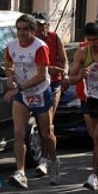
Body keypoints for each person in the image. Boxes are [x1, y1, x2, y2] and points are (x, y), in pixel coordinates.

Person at [5, 14, 58, 188]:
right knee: (18, 132)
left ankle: (54, 161)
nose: (21, 33)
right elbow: (9, 66)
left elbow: (42, 75)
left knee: (45, 134)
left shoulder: (40, 47)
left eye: (25, 29)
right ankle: (20, 172)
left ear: (33, 30)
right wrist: (10, 78)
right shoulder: (11, 46)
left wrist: (18, 88)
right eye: (18, 29)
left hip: (40, 92)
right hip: (22, 95)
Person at [68, 22, 98, 191]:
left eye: (96, 40)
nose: (93, 43)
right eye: (89, 40)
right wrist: (80, 75)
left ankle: (93, 175)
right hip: (89, 99)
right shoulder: (82, 52)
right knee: (96, 136)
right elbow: (71, 78)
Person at [33, 12, 67, 177]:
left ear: (47, 25)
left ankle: (45, 160)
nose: (38, 28)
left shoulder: (54, 38)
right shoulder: (29, 42)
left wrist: (65, 74)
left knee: (48, 123)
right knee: (40, 126)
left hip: (53, 84)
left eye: (41, 24)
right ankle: (49, 157)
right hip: (35, 85)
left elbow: (64, 59)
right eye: (36, 25)